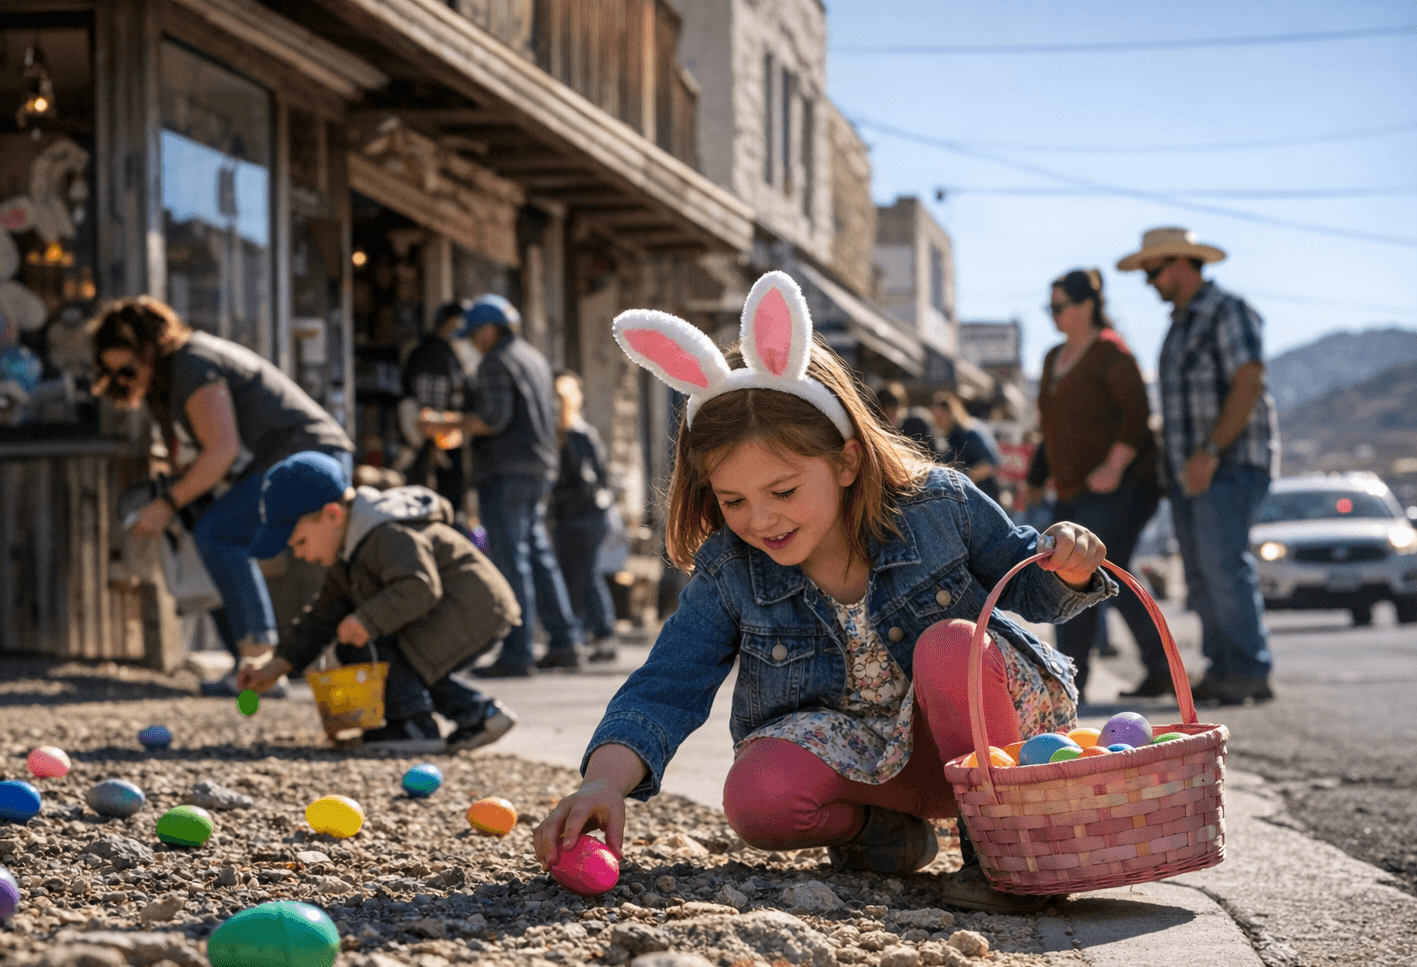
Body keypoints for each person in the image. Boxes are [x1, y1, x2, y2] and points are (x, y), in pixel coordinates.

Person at [532, 272, 1114, 913]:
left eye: (782, 491)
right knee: (758, 799)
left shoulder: (938, 504)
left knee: (951, 645)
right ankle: (885, 836)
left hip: (992, 739)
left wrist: (1070, 564)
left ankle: (1008, 850)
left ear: (846, 460)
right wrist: (603, 785)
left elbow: (1029, 582)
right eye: (734, 500)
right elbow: (668, 681)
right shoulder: (732, 568)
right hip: (877, 765)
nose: (760, 520)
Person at [90, 296, 353, 695]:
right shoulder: (173, 375)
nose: (126, 382)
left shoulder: (193, 362)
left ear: (148, 349)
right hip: (282, 460)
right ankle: (248, 672)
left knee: (218, 530)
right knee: (207, 528)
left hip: (309, 455)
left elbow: (221, 451)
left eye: (127, 370)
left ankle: (258, 660)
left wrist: (167, 503)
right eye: (115, 377)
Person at [237, 452, 520, 753]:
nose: (299, 554)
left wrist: (366, 620)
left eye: (300, 542)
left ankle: (414, 726)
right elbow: (321, 619)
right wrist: (276, 665)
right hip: (456, 612)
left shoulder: (385, 533)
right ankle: (479, 715)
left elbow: (419, 586)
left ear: (333, 515)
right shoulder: (347, 553)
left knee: (379, 648)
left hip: (472, 609)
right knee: (395, 653)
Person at [1118, 227, 1279, 706]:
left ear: (1181, 264)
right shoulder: (1181, 324)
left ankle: (1249, 669)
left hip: (1229, 463)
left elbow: (1248, 380)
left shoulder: (1226, 310)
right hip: (1191, 472)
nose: (1149, 281)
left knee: (1222, 563)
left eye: (1153, 270)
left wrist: (1210, 450)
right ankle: (1226, 667)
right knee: (1203, 571)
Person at [422, 294, 582, 677]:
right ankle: (564, 642)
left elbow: (493, 419)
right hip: (539, 467)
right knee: (537, 556)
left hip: (507, 471)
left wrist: (446, 425)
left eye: (475, 334)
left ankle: (518, 651)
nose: (474, 342)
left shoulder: (496, 361)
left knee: (512, 559)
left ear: (490, 331)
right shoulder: (534, 358)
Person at [1038, 268, 1171, 702]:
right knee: (1090, 572)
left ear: (1087, 306)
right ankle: (1150, 670)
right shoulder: (1052, 358)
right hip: (1074, 491)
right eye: (1050, 307)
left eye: (1060, 307)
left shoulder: (1112, 353)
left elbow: (1138, 417)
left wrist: (1114, 465)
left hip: (1125, 486)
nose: (1054, 315)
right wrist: (1037, 480)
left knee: (1085, 570)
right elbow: (1051, 428)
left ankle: (1070, 684)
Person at [550, 371, 619, 664]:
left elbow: (587, 480)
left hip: (581, 516)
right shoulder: (580, 433)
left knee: (582, 578)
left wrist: (559, 501)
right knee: (586, 576)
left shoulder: (575, 435)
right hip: (586, 516)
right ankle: (598, 635)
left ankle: (598, 635)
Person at [399, 300, 470, 516]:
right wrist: (434, 444)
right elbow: (429, 409)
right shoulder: (432, 353)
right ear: (447, 323)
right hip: (432, 444)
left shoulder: (450, 353)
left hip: (443, 440)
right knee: (433, 504)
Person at [931, 392, 1001, 497]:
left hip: (982, 497)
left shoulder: (970, 434)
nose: (937, 422)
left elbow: (991, 463)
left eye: (939, 418)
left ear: (951, 414)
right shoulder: (946, 438)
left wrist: (965, 482)